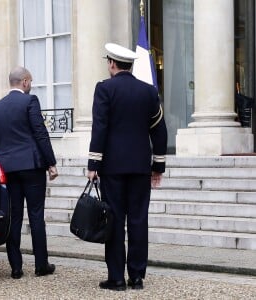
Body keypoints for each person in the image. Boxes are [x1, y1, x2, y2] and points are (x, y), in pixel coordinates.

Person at [87, 43, 167, 291]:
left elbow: (99, 127)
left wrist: (93, 164)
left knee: (114, 221)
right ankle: (137, 276)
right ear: (130, 65)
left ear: (112, 63)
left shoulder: (104, 89)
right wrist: (158, 166)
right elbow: (160, 130)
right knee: (138, 221)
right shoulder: (148, 91)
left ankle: (117, 278)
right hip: (141, 167)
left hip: (112, 168)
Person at [0, 66, 58, 279]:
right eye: (31, 81)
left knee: (14, 216)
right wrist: (51, 163)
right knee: (36, 215)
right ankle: (40, 265)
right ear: (25, 81)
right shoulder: (30, 101)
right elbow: (40, 133)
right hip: (31, 166)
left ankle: (16, 267)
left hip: (7, 168)